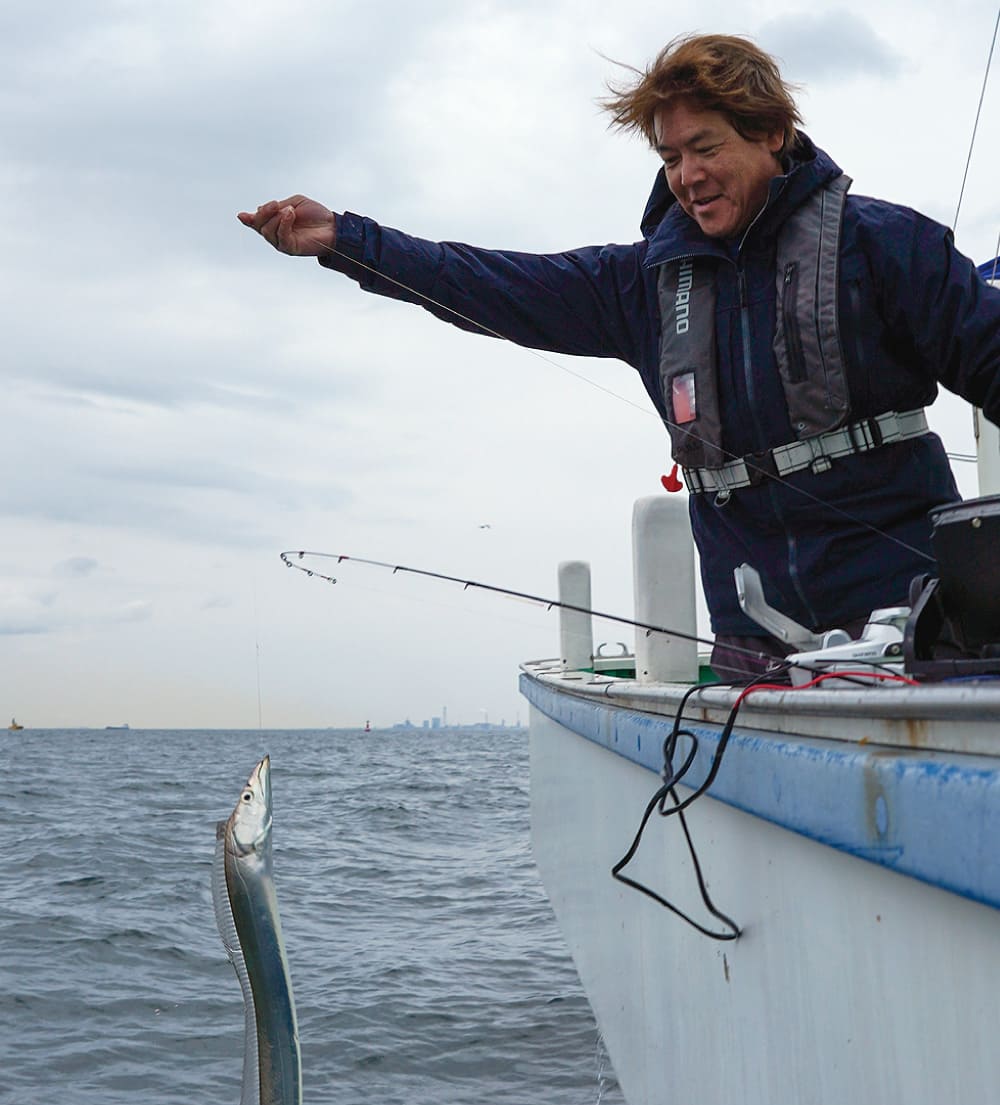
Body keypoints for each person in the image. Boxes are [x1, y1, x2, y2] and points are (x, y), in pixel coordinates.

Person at [238, 33, 1000, 680]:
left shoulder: (887, 246)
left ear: (771, 132)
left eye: (706, 147)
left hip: (913, 627)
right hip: (751, 649)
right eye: (671, 157)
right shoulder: (638, 285)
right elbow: (483, 283)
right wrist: (345, 240)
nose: (688, 176)